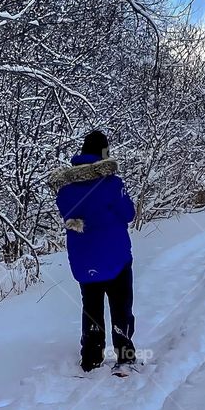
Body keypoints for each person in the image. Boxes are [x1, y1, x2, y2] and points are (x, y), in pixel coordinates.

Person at [49, 130, 138, 373]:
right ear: (104, 154)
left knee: (91, 306)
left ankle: (91, 356)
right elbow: (129, 214)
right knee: (121, 307)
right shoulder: (112, 184)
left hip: (83, 260)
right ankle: (125, 356)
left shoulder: (65, 190)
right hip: (116, 257)